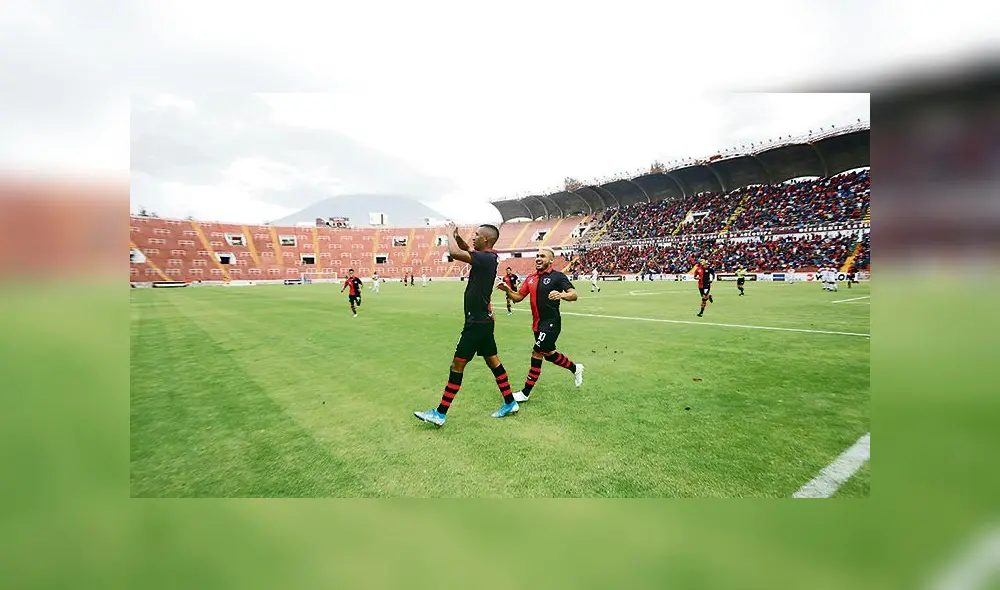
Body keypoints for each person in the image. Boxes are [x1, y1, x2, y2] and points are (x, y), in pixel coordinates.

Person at [414, 223, 518, 427]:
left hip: (476, 323)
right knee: (493, 362)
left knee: (457, 365)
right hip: (484, 321)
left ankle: (440, 413)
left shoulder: (486, 258)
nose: (473, 237)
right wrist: (458, 236)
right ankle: (510, 402)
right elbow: (466, 248)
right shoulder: (488, 257)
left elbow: (455, 251)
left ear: (486, 240)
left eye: (477, 235)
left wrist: (447, 235)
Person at [498, 248, 583, 402]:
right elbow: (518, 297)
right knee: (549, 355)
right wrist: (507, 290)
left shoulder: (558, 277)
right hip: (537, 325)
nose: (538, 258)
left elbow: (574, 294)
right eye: (537, 256)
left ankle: (525, 393)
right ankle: (576, 368)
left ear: (551, 260)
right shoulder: (530, 279)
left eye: (542, 256)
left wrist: (561, 294)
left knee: (537, 352)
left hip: (551, 323)